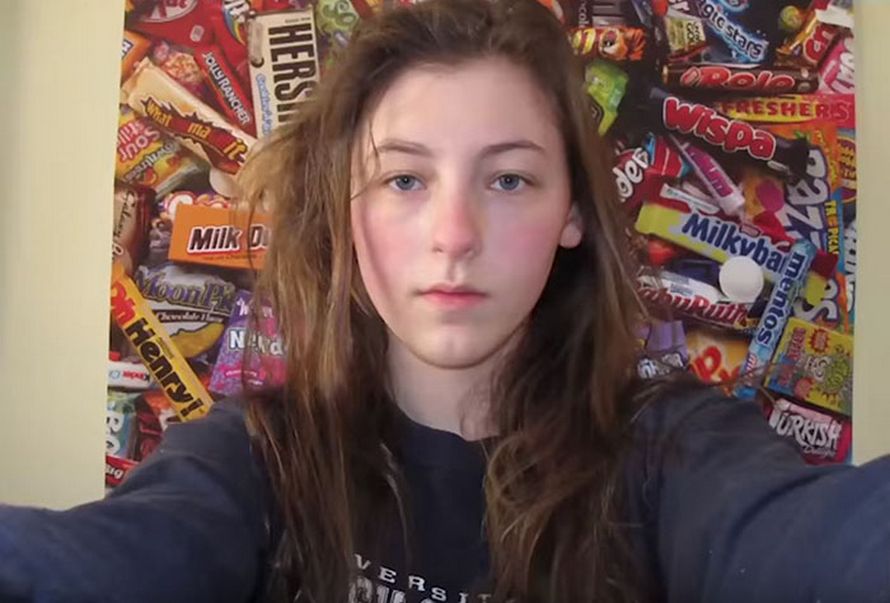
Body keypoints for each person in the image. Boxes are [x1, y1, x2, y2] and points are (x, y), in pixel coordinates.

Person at [2, 0, 888, 601]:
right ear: (344, 212)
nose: (454, 234)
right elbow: (100, 559)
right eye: (404, 179)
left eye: (508, 179)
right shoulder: (255, 458)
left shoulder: (673, 452)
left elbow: (819, 541)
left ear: (572, 213)